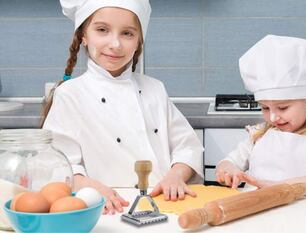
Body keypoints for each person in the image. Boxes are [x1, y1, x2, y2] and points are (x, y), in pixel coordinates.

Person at [41, 0, 203, 214]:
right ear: (84, 36)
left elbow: (188, 148)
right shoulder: (70, 95)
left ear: (138, 42)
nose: (115, 44)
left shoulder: (155, 89)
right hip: (106, 207)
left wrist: (175, 176)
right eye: (102, 30)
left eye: (127, 33)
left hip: (164, 204)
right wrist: (89, 186)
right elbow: (58, 163)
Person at [215, 35, 306, 194]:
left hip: (301, 213)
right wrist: (228, 170)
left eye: (283, 108)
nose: (272, 118)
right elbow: (228, 162)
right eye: (265, 108)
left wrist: (282, 188)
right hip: (256, 210)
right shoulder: (259, 134)